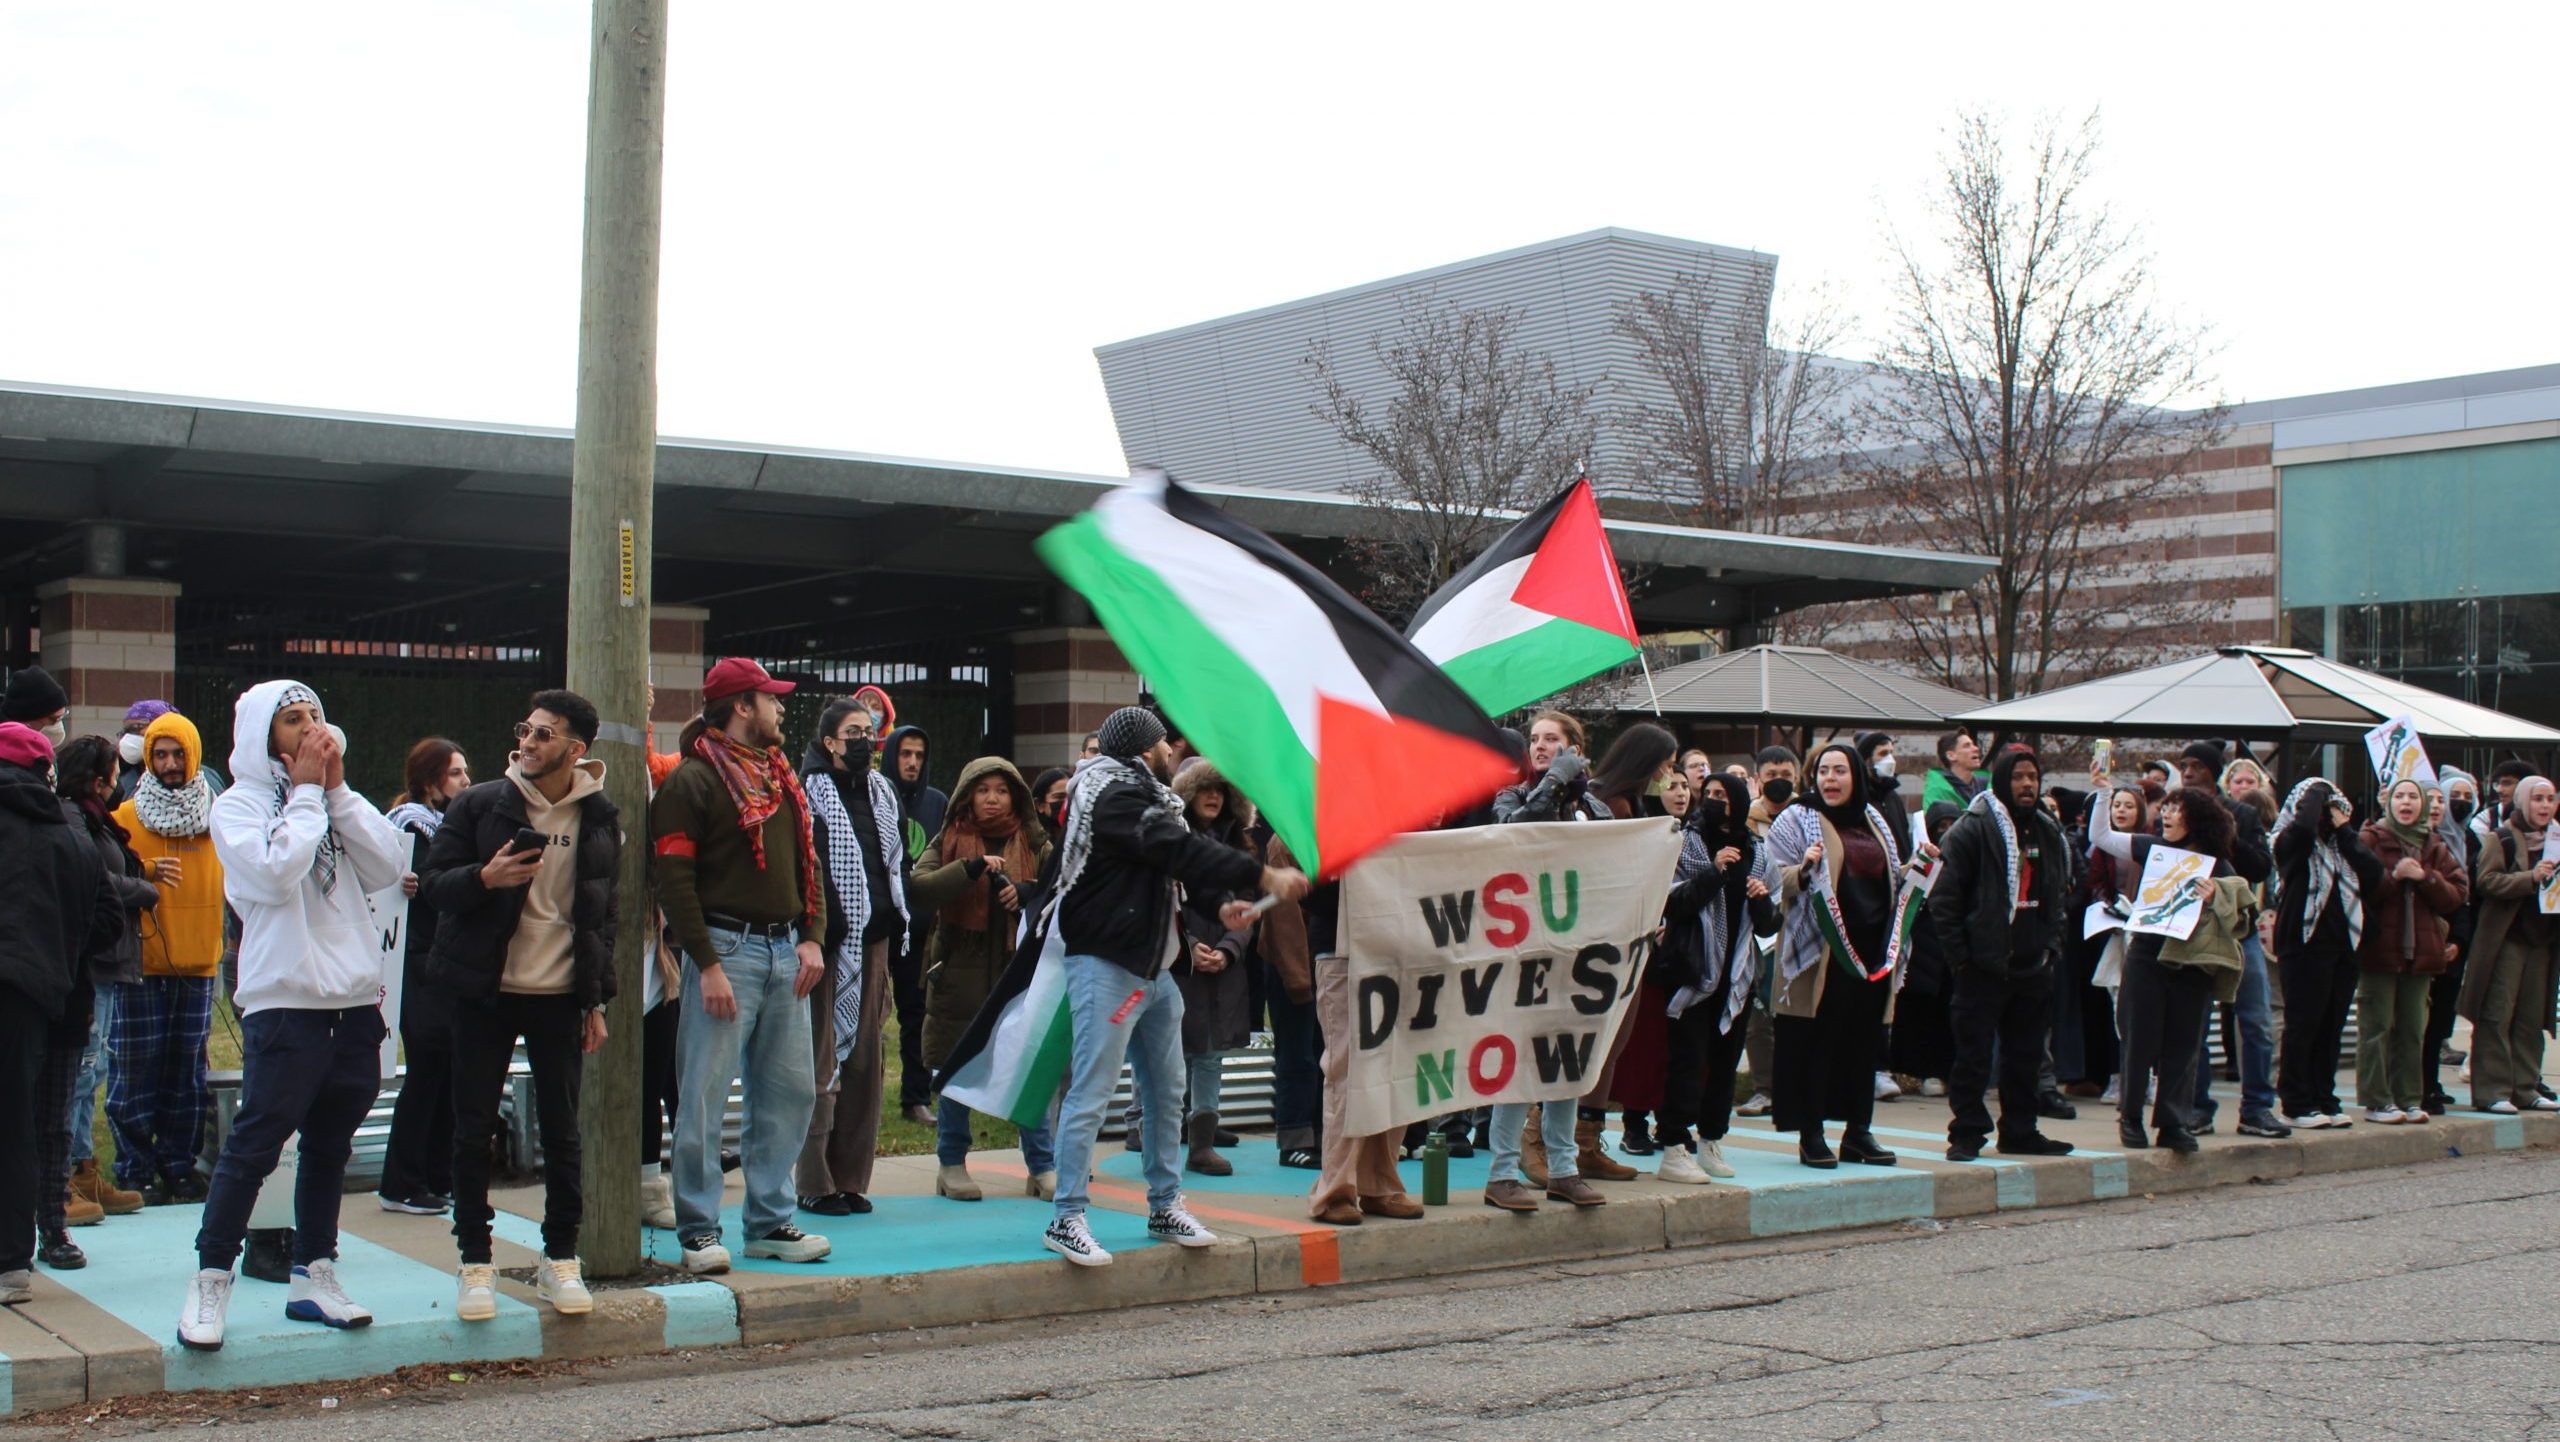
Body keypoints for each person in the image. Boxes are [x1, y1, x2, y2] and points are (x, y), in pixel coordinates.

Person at [181, 681, 409, 1351]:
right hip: (286, 1003)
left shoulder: (333, 800)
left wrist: (334, 791)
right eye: (292, 719)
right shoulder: (238, 807)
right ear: (263, 734)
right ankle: (212, 1277)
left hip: (354, 1005)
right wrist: (307, 795)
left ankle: (316, 1273)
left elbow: (389, 865)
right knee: (255, 1145)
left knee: (330, 1149)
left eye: (314, 714)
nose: (310, 727)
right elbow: (277, 874)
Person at [1039, 707, 1304, 1264]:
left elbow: (1172, 877)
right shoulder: (1111, 799)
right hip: (1108, 969)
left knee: (1168, 1093)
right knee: (1091, 1092)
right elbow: (1176, 850)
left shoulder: (1149, 801)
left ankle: (1164, 1203)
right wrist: (1260, 876)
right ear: (1144, 748)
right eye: (1166, 745)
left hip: (1157, 973)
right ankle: (1067, 1217)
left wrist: (1220, 906)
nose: (1173, 753)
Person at [415, 692, 616, 1320]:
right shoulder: (481, 803)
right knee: (472, 1130)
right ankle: (475, 1263)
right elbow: (433, 888)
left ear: (575, 750)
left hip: (558, 996)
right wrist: (483, 878)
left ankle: (561, 1260)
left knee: (563, 1134)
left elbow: (602, 918)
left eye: (545, 735)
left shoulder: (599, 816)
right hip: (484, 992)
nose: (528, 742)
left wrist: (595, 1001)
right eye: (526, 729)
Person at [652, 659, 833, 1275]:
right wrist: (705, 964)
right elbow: (673, 882)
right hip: (725, 951)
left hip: (788, 954)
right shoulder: (693, 783)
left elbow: (810, 862)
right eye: (770, 698)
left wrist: (812, 937)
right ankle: (699, 1230)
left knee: (787, 1095)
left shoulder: (780, 777)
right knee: (701, 1097)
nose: (781, 708)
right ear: (741, 705)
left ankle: (768, 1222)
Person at [0, 722, 119, 1306]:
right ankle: (25, 1249)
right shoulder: (71, 835)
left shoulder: (69, 832)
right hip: (54, 994)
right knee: (35, 1124)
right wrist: (61, 951)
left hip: (33, 991)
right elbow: (108, 917)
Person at [907, 753, 1054, 1201]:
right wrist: (969, 870)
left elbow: (1060, 891)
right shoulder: (949, 837)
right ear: (967, 794)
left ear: (1017, 797)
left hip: (1019, 972)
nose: (992, 799)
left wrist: (1026, 892)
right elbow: (921, 885)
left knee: (1029, 1067)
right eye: (983, 790)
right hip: (958, 973)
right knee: (954, 1066)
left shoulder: (1036, 841)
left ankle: (1042, 1166)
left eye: (1002, 790)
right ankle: (951, 1164)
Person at [1486, 710, 1612, 1200]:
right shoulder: (1512, 797)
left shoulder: (1595, 809)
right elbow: (1515, 835)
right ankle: (1502, 1174)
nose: (1539, 747)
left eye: (1552, 740)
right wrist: (1553, 783)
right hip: (1523, 951)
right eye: (1534, 740)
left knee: (1568, 1061)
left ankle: (1563, 1169)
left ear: (1574, 748)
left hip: (1579, 953)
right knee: (1518, 1060)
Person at [791, 699, 910, 1218]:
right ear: (830, 741)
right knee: (823, 1065)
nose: (865, 740)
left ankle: (851, 1179)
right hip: (830, 947)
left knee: (865, 1066)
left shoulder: (882, 793)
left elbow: (893, 863)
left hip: (876, 943)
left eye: (870, 731)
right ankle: (814, 1182)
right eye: (854, 732)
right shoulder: (807, 792)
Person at [1928, 749, 2077, 1161]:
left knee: (2026, 1058)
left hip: (2033, 965)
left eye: (2033, 777)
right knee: (1973, 1058)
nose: (2027, 785)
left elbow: (2058, 898)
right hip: (1982, 967)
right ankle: (1968, 1133)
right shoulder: (1972, 829)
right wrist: (1963, 958)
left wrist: (2051, 948)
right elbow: (1944, 899)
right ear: (2001, 781)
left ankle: (2020, 1130)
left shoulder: (2048, 832)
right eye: (2019, 778)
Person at [1767, 743, 1910, 1169]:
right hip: (1820, 954)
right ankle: (1812, 1134)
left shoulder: (1874, 819)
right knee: (1817, 1044)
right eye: (1823, 771)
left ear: (1856, 777)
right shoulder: (1797, 818)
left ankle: (1858, 1132)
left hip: (1870, 953)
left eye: (1840, 771)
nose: (1830, 779)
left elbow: (1891, 875)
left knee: (1863, 1044)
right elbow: (1771, 878)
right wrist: (1803, 869)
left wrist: (1919, 870)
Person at [108, 708, 228, 1207]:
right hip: (141, 966)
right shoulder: (124, 818)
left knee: (186, 1074)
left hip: (198, 964)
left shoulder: (219, 815)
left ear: (194, 754)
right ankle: (133, 1170)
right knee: (135, 1072)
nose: (171, 763)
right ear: (148, 758)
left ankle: (179, 1167)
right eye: (160, 754)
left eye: (179, 753)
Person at [2090, 784, 2250, 1152]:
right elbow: (2100, 835)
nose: (2166, 815)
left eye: (2176, 810)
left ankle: (2173, 1122)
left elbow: (2241, 913)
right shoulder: (2151, 848)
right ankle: (2130, 1117)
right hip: (2147, 955)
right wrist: (2102, 792)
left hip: (2192, 960)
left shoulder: (2216, 863)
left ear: (2197, 819)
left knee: (2184, 1043)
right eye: (2166, 809)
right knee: (2138, 1040)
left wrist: (2216, 896)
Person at [56, 735, 158, 1238]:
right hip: (93, 960)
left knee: (92, 1071)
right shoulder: (75, 818)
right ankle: (63, 1176)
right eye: (114, 772)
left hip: (110, 960)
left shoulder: (95, 818)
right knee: (80, 1070)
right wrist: (146, 889)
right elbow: (96, 878)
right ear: (98, 779)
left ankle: (84, 1169)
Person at [1654, 773, 1775, 1183]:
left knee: (1723, 1063)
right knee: (1687, 1061)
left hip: (1736, 974)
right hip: (1692, 972)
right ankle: (1672, 1146)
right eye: (1708, 794)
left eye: (1723, 796)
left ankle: (1710, 1141)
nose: (1713, 801)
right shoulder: (1685, 843)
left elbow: (1767, 925)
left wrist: (1761, 901)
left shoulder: (1757, 852)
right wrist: (1714, 871)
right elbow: (1672, 901)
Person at [375, 738, 468, 1217]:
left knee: (446, 1070)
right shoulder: (407, 828)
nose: (465, 782)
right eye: (455, 774)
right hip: (418, 964)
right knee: (429, 1067)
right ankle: (402, 1181)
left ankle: (433, 1175)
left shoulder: (448, 828)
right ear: (431, 781)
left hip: (441, 965)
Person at [2351, 777, 2466, 1124]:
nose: (2406, 802)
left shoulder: (2434, 844)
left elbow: (2457, 894)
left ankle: (2409, 1098)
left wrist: (2425, 876)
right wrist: (2394, 877)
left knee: (2413, 1028)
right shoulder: (2370, 839)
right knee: (2377, 1027)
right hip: (2379, 951)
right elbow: (2356, 888)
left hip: (2421, 953)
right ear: (2388, 802)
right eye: (2399, 796)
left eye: (2413, 796)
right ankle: (2377, 1100)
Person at [1167, 761, 1263, 1178]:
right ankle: (1161, 1138)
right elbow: (1167, 901)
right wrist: (1186, 946)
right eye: (1205, 789)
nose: (1213, 797)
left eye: (1221, 791)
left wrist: (1227, 950)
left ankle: (1201, 1145)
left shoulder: (1240, 848)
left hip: (1223, 970)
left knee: (1209, 1057)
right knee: (1168, 1056)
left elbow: (1250, 907)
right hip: (1177, 966)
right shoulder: (1171, 843)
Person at [2270, 778, 2383, 1130]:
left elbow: (2373, 872)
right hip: (2303, 944)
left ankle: (2325, 1098)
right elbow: (2302, 832)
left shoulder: (2342, 848)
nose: (2322, 818)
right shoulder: (2288, 843)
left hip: (2343, 944)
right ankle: (2296, 1102)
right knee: (2303, 1024)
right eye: (2318, 811)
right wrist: (2316, 790)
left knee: (2331, 1025)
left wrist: (2344, 829)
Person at [2184, 742, 2282, 1140]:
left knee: (2255, 1020)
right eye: (2183, 766)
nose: (2188, 773)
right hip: (2193, 931)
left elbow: (2260, 866)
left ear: (2213, 772)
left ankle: (2257, 1108)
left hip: (2240, 930)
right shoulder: (2177, 814)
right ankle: (2196, 1108)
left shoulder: (2240, 814)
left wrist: (2225, 833)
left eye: (2196, 766)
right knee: (2194, 1024)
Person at [2458, 776, 2559, 1115]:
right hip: (2506, 940)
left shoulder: (2556, 840)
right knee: (2497, 1013)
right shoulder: (2499, 838)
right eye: (2538, 799)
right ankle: (2493, 1090)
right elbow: (2486, 882)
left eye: (2550, 799)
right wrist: (2529, 878)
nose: (2545, 806)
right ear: (2522, 801)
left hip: (2542, 940)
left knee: (2531, 1018)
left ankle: (2526, 1087)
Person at [881, 723, 946, 1127]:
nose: (912, 762)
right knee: (866, 1013)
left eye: (919, 755)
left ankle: (916, 1097)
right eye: (905, 754)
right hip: (878, 923)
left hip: (919, 927)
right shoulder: (875, 796)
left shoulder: (937, 802)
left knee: (916, 1013)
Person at [2423, 768, 2485, 1115]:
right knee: (2421, 1018)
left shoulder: (2470, 841)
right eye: (2452, 797)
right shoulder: (2429, 841)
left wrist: (2460, 941)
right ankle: (2416, 1083)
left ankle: (2431, 1082)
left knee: (2442, 1018)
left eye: (2467, 797)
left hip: (2455, 942)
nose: (2459, 803)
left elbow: (2466, 896)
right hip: (2423, 939)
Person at [1921, 732, 1986, 812]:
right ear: (1951, 756)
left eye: (1973, 744)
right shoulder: (1937, 792)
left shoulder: (1987, 786)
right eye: (1967, 746)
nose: (1976, 749)